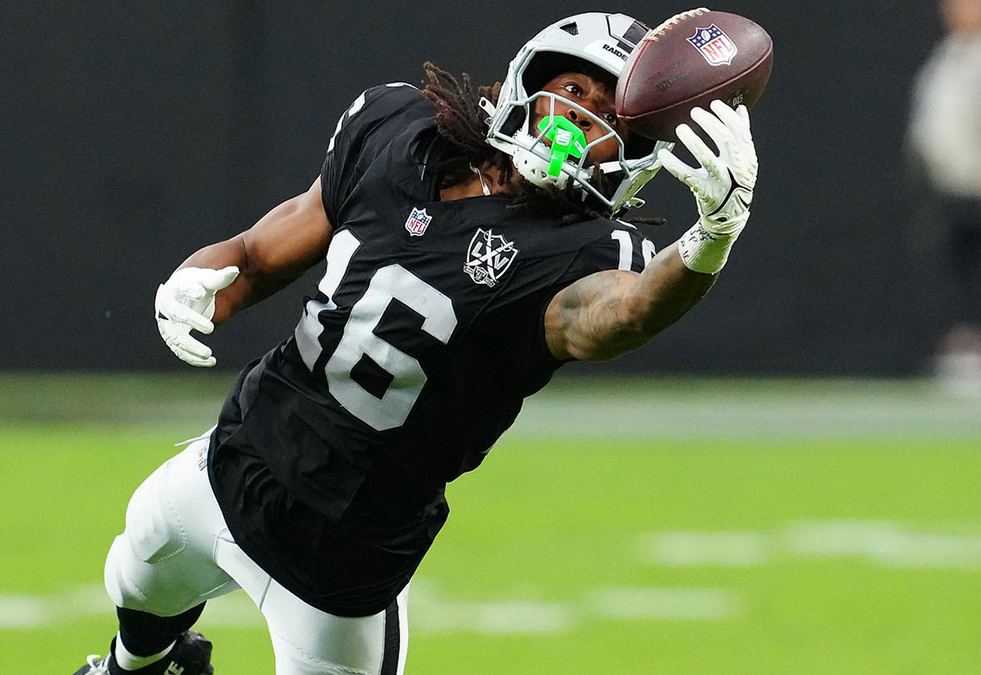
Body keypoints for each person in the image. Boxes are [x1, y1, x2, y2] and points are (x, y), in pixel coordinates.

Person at [74, 11, 759, 675]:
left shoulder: (584, 251)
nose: (583, 115)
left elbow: (623, 313)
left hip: (344, 563)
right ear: (526, 85)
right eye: (574, 90)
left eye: (609, 114)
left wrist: (710, 238)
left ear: (634, 157)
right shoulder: (400, 132)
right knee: (134, 578)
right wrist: (198, 279)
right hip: (235, 460)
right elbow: (258, 254)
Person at [908, 0, 981, 395]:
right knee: (951, 265)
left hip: (975, 187)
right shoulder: (949, 55)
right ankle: (965, 350)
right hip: (951, 190)